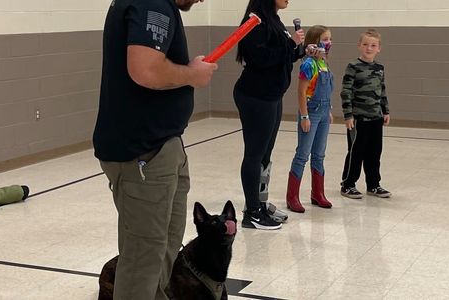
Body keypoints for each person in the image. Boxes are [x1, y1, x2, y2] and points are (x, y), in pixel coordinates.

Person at [92, 0, 217, 299]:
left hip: (162, 146)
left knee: (163, 249)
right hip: (143, 153)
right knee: (143, 258)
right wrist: (192, 74)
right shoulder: (152, 2)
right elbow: (145, 69)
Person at [234, 0, 306, 230]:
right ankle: (252, 213)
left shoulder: (273, 19)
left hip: (272, 96)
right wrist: (290, 45)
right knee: (254, 154)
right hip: (256, 96)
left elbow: (280, 57)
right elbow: (261, 58)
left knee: (265, 154)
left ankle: (260, 204)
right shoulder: (254, 20)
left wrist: (300, 50)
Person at [285, 25, 334, 213]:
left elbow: (326, 90)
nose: (329, 42)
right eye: (325, 39)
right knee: (302, 154)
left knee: (319, 154)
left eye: (330, 39)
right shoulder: (308, 64)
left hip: (323, 113)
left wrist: (328, 110)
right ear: (315, 42)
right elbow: (301, 91)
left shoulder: (323, 62)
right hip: (311, 112)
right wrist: (304, 116)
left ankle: (317, 193)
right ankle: (292, 197)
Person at [340, 29, 392, 199]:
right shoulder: (353, 67)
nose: (369, 48)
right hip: (358, 119)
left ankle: (373, 184)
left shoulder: (379, 68)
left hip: (376, 118)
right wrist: (348, 115)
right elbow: (346, 91)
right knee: (356, 152)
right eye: (365, 44)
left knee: (375, 152)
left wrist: (385, 110)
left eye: (373, 45)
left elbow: (382, 90)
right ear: (359, 46)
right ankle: (348, 184)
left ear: (379, 48)